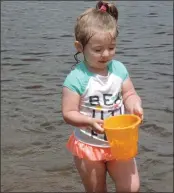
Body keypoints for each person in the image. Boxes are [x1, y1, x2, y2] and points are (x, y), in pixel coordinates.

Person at [61, 1, 143, 192]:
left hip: (120, 143)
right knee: (97, 190)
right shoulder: (76, 78)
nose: (106, 54)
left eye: (111, 48)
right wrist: (88, 121)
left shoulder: (119, 69)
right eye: (98, 50)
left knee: (131, 188)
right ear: (80, 47)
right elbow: (68, 112)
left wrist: (135, 104)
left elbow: (129, 93)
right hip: (88, 145)